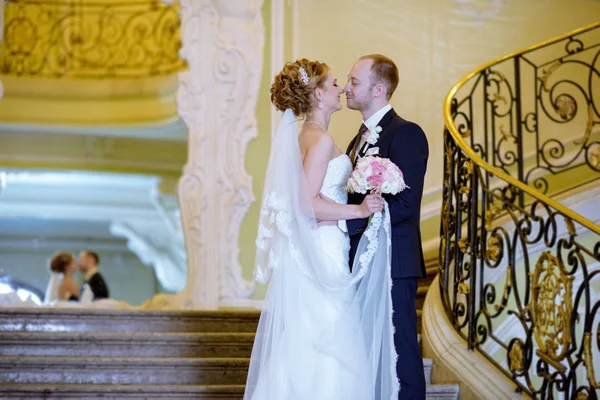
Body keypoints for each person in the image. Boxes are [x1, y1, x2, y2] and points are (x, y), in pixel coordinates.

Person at [244, 59, 399, 400]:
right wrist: (357, 210)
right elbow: (304, 204)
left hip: (321, 246)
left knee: (310, 338)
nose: (341, 88)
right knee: (327, 338)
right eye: (333, 84)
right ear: (316, 95)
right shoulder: (320, 140)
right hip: (323, 251)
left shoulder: (307, 137)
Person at [345, 54, 429, 400]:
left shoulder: (405, 133)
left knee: (400, 350)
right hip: (361, 259)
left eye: (353, 82)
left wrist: (350, 225)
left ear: (378, 89)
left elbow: (406, 205)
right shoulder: (357, 138)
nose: (346, 88)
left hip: (392, 261)